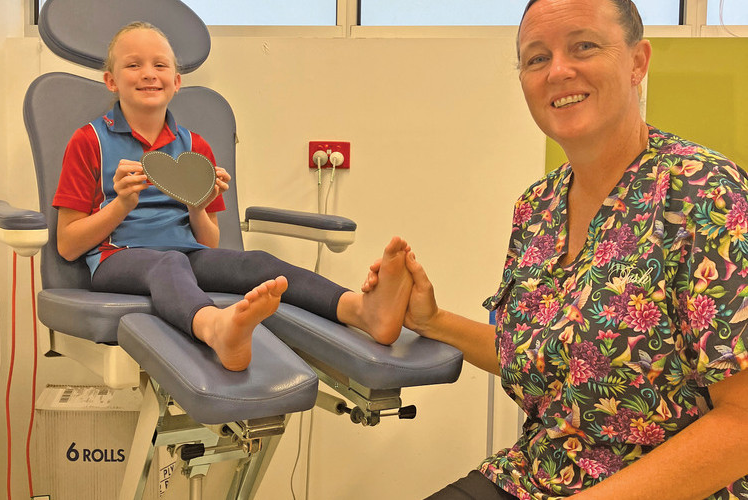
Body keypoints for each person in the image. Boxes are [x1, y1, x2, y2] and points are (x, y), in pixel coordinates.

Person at [365, 0, 748, 498]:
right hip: (538, 477)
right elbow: (547, 360)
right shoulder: (537, 207)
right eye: (536, 58)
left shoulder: (706, 194)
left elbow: (741, 422)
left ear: (638, 62)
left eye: (583, 46)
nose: (558, 71)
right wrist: (430, 319)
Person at [52, 21, 413, 372]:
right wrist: (121, 206)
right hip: (117, 259)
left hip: (188, 256)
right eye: (134, 65)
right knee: (169, 263)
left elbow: (209, 240)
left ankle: (361, 310)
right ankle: (216, 329)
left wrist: (197, 206)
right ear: (111, 81)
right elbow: (68, 246)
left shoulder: (196, 148)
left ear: (176, 82)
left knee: (254, 262)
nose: (149, 73)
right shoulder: (89, 141)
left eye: (160, 65)